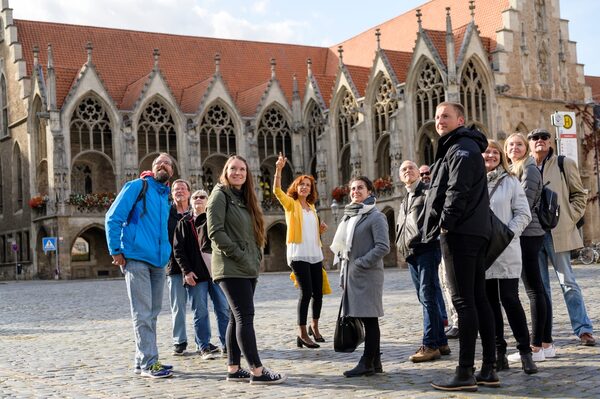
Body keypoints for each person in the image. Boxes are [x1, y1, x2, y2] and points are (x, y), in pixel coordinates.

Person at [423, 102, 496, 392]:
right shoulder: (460, 146)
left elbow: (457, 190)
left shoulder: (461, 148)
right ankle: (488, 369)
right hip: (473, 231)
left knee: (464, 302)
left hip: (461, 233)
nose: (440, 120)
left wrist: (445, 224)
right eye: (438, 116)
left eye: (446, 116)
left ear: (460, 120)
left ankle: (465, 371)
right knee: (479, 300)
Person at [206, 155, 287, 384]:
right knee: (245, 317)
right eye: (233, 169)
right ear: (226, 171)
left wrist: (255, 256)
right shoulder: (219, 195)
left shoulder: (243, 197)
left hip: (246, 266)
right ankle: (258, 371)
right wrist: (241, 256)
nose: (238, 173)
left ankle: (233, 368)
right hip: (231, 266)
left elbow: (251, 232)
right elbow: (216, 232)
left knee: (235, 318)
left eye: (242, 169)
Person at [105, 152, 174, 379]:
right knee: (143, 313)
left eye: (167, 163)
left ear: (172, 172)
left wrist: (166, 256)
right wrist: (116, 250)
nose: (163, 165)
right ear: (152, 168)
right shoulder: (138, 186)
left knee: (152, 313)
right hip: (136, 259)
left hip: (157, 262)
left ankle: (141, 359)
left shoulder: (165, 197)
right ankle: (149, 364)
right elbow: (113, 217)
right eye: (158, 163)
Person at [528, 128, 596, 346]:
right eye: (535, 138)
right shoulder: (524, 166)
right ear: (530, 143)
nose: (540, 140)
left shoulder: (562, 163)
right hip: (531, 233)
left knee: (567, 282)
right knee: (540, 287)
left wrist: (568, 218)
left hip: (556, 230)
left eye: (544, 137)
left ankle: (583, 329)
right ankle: (546, 335)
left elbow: (579, 195)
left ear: (550, 141)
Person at [482, 140, 536, 374]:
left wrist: (507, 234)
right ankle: (499, 353)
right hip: (482, 252)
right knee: (489, 304)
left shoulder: (511, 181)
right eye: (487, 152)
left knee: (510, 300)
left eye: (495, 152)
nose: (491, 155)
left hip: (505, 249)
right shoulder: (473, 182)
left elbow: (524, 214)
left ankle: (525, 352)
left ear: (501, 156)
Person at [331, 176, 390, 377]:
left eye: (360, 188)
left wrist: (360, 263)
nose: (356, 191)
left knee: (370, 320)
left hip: (367, 275)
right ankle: (376, 362)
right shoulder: (349, 216)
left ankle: (367, 362)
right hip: (352, 275)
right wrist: (345, 272)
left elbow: (383, 246)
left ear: (370, 192)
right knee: (366, 319)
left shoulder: (375, 216)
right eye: (353, 188)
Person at [504, 132, 552, 362]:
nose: (515, 148)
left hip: (527, 233)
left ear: (526, 148)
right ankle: (545, 343)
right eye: (511, 145)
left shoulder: (529, 169)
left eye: (519, 144)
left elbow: (524, 201)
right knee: (536, 289)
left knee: (534, 290)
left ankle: (535, 347)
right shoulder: (514, 169)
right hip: (524, 233)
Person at [396, 160, 449, 363]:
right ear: (400, 177)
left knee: (427, 295)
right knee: (425, 296)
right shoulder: (405, 199)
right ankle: (441, 341)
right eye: (403, 170)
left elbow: (437, 215)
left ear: (419, 172)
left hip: (426, 248)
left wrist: (431, 236)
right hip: (412, 252)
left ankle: (430, 344)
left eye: (411, 168)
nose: (407, 171)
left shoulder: (427, 192)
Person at [273, 153, 327, 348]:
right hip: (298, 254)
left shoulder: (312, 207)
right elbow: (277, 191)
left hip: (314, 253)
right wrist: (279, 169)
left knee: (318, 293)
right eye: (301, 184)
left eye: (308, 185)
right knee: (306, 293)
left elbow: (310, 229)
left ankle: (315, 326)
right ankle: (302, 332)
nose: (304, 187)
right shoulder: (291, 204)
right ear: (296, 187)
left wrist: (319, 230)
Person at [173, 189, 230, 360]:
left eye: (202, 197)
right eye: (195, 197)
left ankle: (227, 345)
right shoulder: (184, 222)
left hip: (217, 273)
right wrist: (186, 272)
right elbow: (178, 250)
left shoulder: (216, 220)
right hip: (196, 275)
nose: (198, 199)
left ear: (208, 201)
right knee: (200, 312)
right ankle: (204, 346)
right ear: (191, 202)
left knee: (223, 310)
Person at [166, 179, 193, 356]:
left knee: (200, 306)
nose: (179, 191)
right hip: (174, 265)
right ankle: (179, 341)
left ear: (189, 193)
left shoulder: (196, 210)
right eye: (176, 189)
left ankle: (203, 341)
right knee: (178, 305)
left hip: (196, 265)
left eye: (183, 189)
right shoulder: (166, 212)